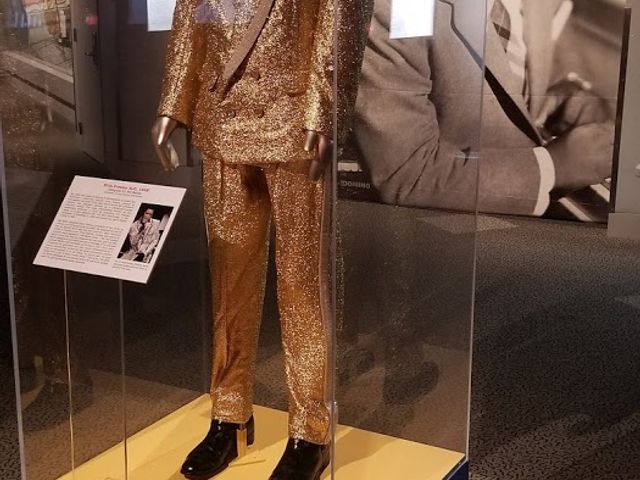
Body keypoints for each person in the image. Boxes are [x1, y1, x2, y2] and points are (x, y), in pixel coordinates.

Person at [152, 0, 371, 479]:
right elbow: (190, 16)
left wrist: (323, 111)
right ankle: (229, 416)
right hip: (222, 117)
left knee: (301, 286)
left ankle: (310, 432)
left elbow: (339, 18)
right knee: (229, 280)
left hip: (293, 124)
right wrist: (172, 106)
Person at [353, 0, 614, 216]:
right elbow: (407, 175)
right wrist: (554, 167)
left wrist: (555, 101)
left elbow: (503, 81)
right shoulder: (404, 8)